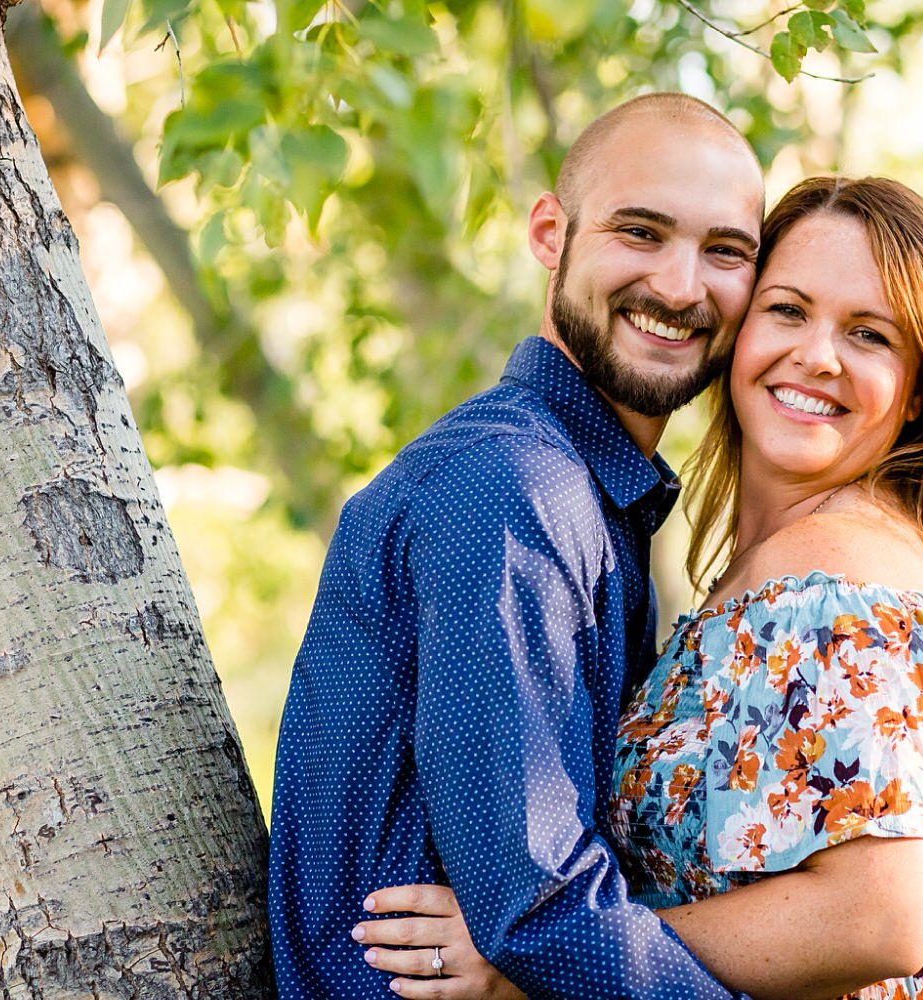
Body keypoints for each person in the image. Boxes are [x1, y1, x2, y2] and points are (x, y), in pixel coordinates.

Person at [357, 176, 923, 999]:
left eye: (869, 335)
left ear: (921, 386)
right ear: (736, 332)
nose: (817, 355)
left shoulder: (844, 580)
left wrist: (539, 969)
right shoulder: (769, 568)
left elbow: (879, 917)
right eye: (788, 311)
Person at [266, 92, 765, 1000]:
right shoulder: (514, 491)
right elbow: (537, 904)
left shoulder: (591, 491)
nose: (683, 287)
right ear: (550, 233)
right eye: (641, 232)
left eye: (724, 250)